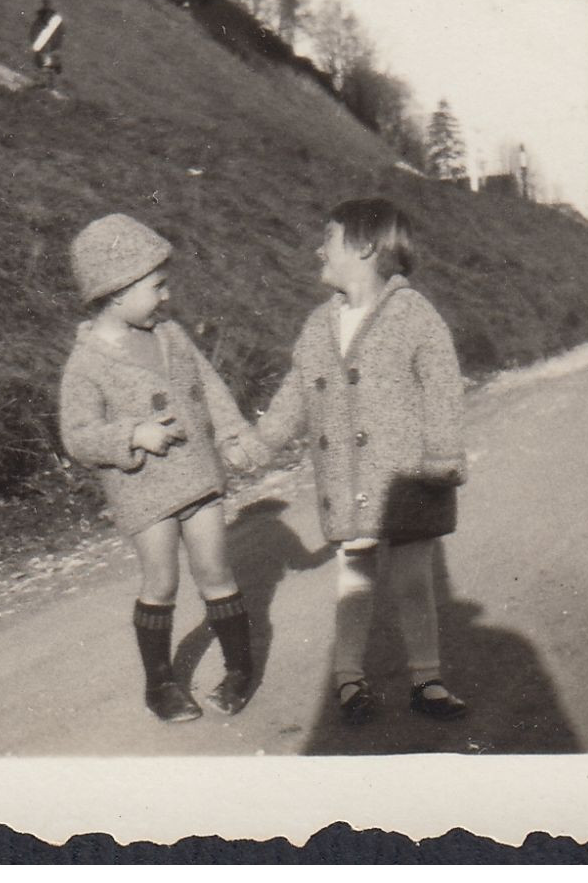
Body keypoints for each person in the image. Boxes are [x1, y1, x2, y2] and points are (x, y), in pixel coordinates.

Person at [254, 198, 469, 726]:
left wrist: (443, 454)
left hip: (406, 477)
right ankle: (349, 677)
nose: (317, 248)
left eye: (328, 237)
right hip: (348, 478)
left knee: (415, 579)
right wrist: (260, 443)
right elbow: (297, 392)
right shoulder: (317, 325)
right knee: (356, 575)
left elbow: (442, 385)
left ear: (366, 247)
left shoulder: (412, 313)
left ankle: (427, 678)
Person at [58, 214, 265, 723]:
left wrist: (234, 433)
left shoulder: (171, 336)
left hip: (198, 475)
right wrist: (131, 434)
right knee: (162, 580)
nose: (167, 296)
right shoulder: (86, 364)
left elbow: (210, 386)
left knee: (215, 570)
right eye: (157, 286)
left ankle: (240, 669)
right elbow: (78, 436)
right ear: (116, 291)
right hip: (143, 491)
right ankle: (161, 685)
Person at [29, 0, 65, 86]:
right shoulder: (43, 18)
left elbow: (35, 31)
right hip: (46, 46)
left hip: (47, 47)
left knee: (44, 64)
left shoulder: (48, 20)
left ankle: (44, 84)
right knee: (44, 64)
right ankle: (44, 83)